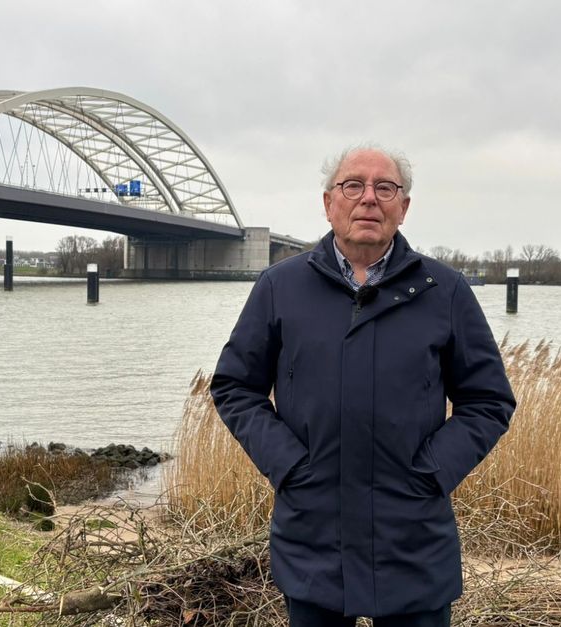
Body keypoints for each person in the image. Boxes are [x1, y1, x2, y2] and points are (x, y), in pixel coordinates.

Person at [210, 145, 516, 626]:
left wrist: (431, 472)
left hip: (413, 540)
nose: (369, 198)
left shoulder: (446, 291)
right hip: (313, 537)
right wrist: (290, 465)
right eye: (353, 185)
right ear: (328, 203)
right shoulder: (279, 287)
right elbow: (234, 387)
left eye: (385, 188)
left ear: (404, 207)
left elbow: (488, 400)